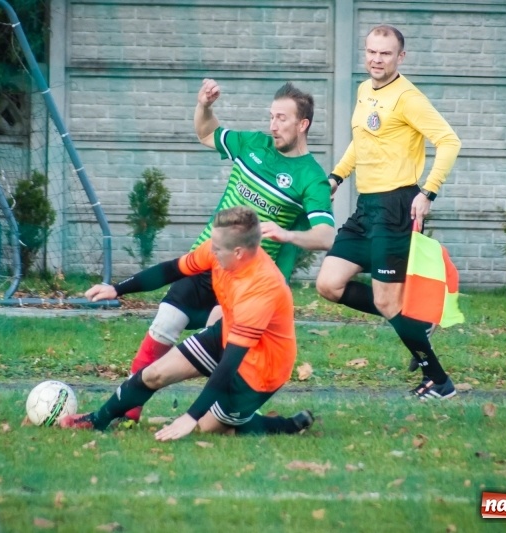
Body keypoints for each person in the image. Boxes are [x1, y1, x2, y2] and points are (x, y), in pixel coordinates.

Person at [117, 79, 335, 424]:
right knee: (164, 323)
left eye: (281, 118)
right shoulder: (251, 144)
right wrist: (204, 106)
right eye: (271, 116)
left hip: (247, 283)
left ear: (302, 124)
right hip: (208, 259)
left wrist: (288, 234)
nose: (272, 125)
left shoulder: (310, 177)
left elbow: (326, 235)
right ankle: (127, 411)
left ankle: (240, 416)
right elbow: (207, 133)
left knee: (222, 361)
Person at [60, 206, 314, 440]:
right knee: (154, 373)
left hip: (261, 370)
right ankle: (97, 420)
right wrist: (117, 289)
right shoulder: (219, 250)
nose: (210, 250)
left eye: (217, 247)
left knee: (209, 427)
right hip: (228, 334)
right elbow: (172, 269)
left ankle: (286, 425)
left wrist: (190, 418)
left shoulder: (262, 288)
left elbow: (228, 365)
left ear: (238, 252)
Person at [316, 24, 462, 400]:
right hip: (366, 208)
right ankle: (416, 320)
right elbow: (360, 142)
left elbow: (448, 141)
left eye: (385, 53)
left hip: (397, 206)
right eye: (371, 52)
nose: (376, 59)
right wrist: (336, 177)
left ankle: (440, 381)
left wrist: (428, 192)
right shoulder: (365, 91)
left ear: (400, 57)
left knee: (385, 301)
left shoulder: (408, 98)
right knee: (329, 284)